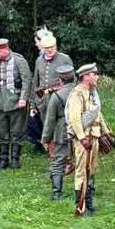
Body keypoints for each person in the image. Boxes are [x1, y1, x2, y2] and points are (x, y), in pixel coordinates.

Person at [67, 62, 111, 216]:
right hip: (84, 140)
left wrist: (106, 132)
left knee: (91, 170)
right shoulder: (77, 94)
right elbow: (74, 119)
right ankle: (81, 205)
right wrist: (82, 138)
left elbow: (98, 114)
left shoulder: (93, 93)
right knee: (81, 172)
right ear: (86, 76)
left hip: (95, 136)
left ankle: (89, 202)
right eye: (94, 74)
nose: (97, 77)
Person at [0, 37, 32, 169]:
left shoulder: (19, 61)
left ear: (7, 49)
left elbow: (27, 81)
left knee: (17, 132)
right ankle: (3, 160)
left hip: (16, 101)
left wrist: (23, 98)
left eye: (1, 51)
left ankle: (15, 159)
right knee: (1, 132)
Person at [31, 27, 73, 148]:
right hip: (44, 99)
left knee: (61, 125)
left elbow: (72, 80)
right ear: (42, 48)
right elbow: (36, 82)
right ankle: (51, 151)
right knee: (47, 124)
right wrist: (34, 103)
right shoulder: (39, 60)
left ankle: (65, 149)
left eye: (52, 48)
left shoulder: (65, 58)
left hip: (60, 98)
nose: (50, 51)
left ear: (56, 46)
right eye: (47, 49)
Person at [40, 62, 76, 200]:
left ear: (60, 79)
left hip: (62, 131)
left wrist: (45, 139)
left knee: (58, 161)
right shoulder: (82, 92)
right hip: (81, 130)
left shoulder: (57, 96)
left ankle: (57, 193)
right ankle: (87, 188)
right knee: (83, 160)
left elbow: (50, 120)